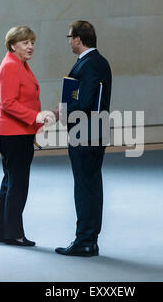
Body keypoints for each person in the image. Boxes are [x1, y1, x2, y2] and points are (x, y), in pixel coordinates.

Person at [0, 26, 55, 246]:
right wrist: (36, 118)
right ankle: (13, 233)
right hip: (12, 134)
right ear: (13, 45)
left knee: (10, 182)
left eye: (32, 42)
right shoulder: (10, 67)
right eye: (25, 43)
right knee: (18, 184)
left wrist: (33, 127)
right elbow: (7, 103)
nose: (31, 47)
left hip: (17, 133)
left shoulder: (20, 64)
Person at [55, 21, 112, 257]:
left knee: (85, 187)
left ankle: (85, 240)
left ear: (78, 39)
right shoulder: (97, 62)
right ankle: (89, 239)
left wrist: (63, 111)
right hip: (92, 131)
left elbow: (86, 101)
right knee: (90, 185)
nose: (68, 41)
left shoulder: (90, 64)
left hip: (86, 132)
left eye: (69, 37)